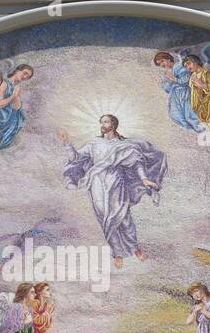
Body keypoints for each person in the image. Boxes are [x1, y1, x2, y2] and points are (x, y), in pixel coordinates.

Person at [58, 114, 167, 268]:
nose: (102, 124)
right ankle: (117, 252)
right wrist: (67, 143)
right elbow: (76, 159)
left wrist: (144, 179)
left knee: (124, 217)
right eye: (101, 122)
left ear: (113, 124)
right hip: (96, 183)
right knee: (106, 219)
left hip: (116, 181)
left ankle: (135, 248)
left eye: (106, 122)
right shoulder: (94, 144)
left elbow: (136, 162)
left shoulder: (124, 144)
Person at [153, 50, 205, 132]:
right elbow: (169, 89)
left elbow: (186, 80)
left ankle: (203, 128)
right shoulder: (169, 72)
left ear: (168, 58)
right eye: (159, 64)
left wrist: (173, 79)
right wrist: (163, 84)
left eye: (162, 61)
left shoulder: (179, 66)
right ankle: (193, 130)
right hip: (176, 97)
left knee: (190, 114)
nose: (162, 64)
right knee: (175, 115)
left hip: (185, 94)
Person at [0, 64, 34, 148]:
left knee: (18, 117)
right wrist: (14, 96)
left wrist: (16, 96)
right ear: (17, 71)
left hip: (7, 117)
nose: (25, 77)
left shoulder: (16, 87)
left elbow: (17, 107)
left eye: (28, 77)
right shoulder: (4, 83)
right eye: (25, 73)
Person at [182, 54, 210, 136]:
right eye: (186, 66)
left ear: (196, 61)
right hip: (200, 103)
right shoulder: (193, 77)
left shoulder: (208, 73)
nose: (188, 67)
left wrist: (202, 85)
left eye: (189, 63)